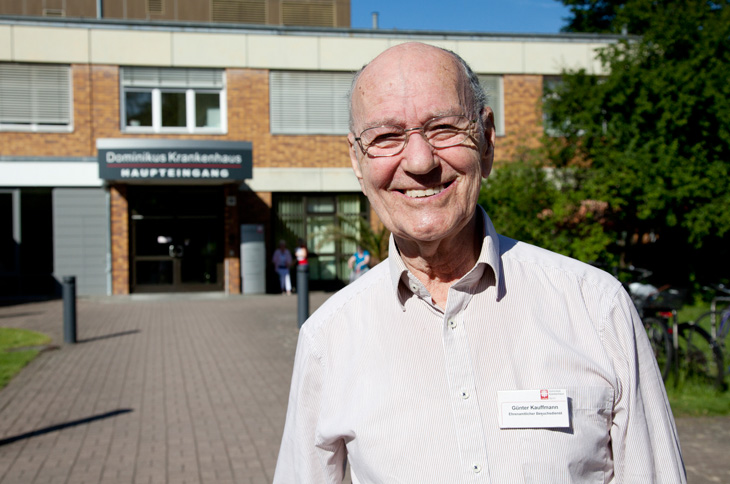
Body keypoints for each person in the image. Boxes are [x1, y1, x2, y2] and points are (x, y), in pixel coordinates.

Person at [274, 43, 685, 482]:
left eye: (444, 127)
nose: (419, 161)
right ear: (357, 161)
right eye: (386, 137)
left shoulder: (596, 308)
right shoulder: (328, 338)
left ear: (487, 140)